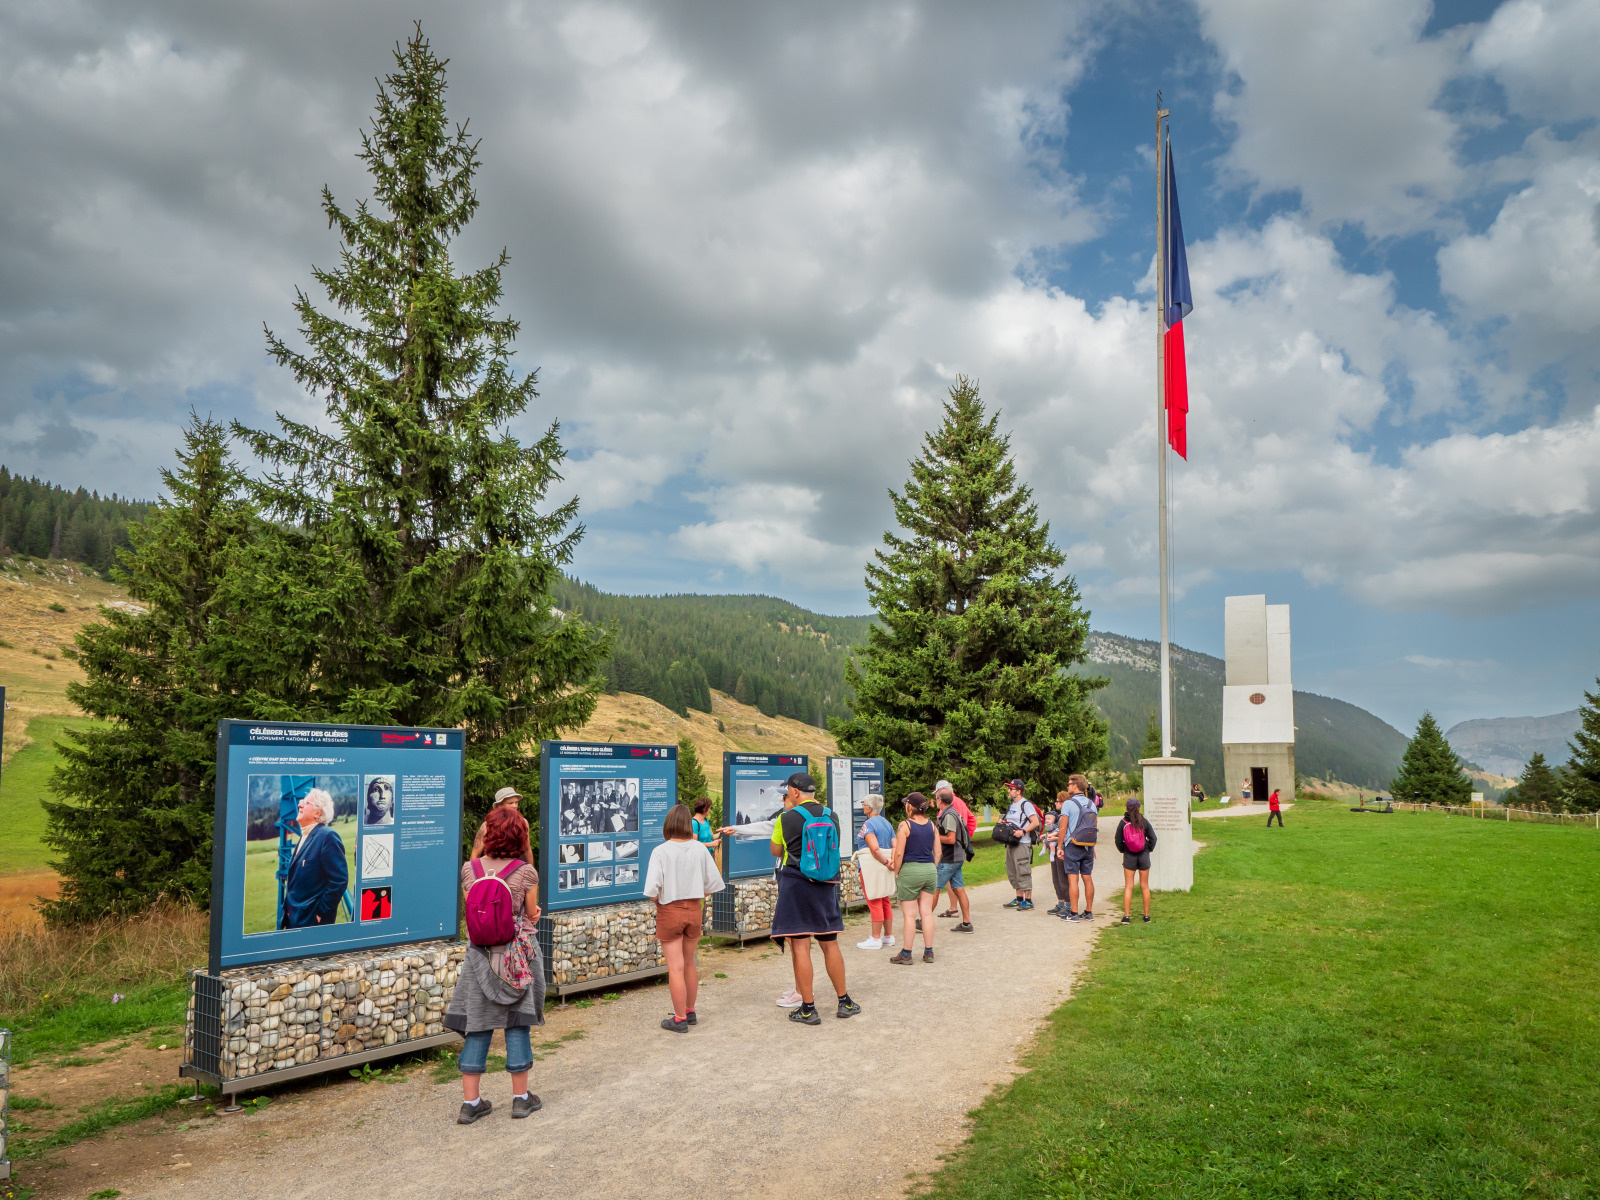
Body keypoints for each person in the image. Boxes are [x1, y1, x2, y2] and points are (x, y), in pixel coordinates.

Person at [445, 807, 544, 1123]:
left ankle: (470, 1103)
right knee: (517, 1022)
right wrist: (532, 915)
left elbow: (476, 911)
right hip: (514, 957)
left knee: (478, 1023)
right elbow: (530, 914)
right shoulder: (526, 872)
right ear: (519, 836)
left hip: (477, 957)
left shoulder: (468, 870)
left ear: (488, 834)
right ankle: (520, 1099)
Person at [767, 772, 861, 1022]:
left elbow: (775, 850)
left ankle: (808, 1008)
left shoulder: (786, 818)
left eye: (788, 791)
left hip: (796, 884)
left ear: (795, 792)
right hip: (825, 885)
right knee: (830, 944)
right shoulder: (832, 815)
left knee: (800, 946)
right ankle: (845, 1002)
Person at [645, 804, 726, 1032]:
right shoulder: (700, 849)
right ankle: (690, 1011)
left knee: (675, 967)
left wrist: (661, 901)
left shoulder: (661, 851)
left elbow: (652, 891)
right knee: (689, 962)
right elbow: (713, 884)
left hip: (670, 910)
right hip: (694, 909)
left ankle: (679, 1018)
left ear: (669, 824)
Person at [279, 788, 347, 929]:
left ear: (318, 812)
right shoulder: (306, 836)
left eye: (306, 802)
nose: (299, 805)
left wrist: (320, 914)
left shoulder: (327, 837)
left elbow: (339, 881)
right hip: (294, 920)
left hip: (310, 923)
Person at [889, 792, 938, 963]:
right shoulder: (932, 825)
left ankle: (907, 954)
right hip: (930, 871)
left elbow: (899, 852)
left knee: (910, 915)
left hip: (910, 870)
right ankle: (929, 952)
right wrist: (932, 867)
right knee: (926, 914)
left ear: (910, 806)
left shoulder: (905, 826)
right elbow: (937, 852)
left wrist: (896, 871)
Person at [854, 794, 897, 949]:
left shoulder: (868, 824)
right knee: (885, 899)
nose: (862, 806)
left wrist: (885, 862)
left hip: (872, 867)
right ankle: (888, 936)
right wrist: (891, 862)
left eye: (864, 804)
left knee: (874, 900)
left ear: (869, 808)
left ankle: (875, 938)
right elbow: (894, 846)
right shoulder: (887, 823)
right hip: (886, 867)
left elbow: (874, 848)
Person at [933, 790, 974, 932]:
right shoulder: (953, 812)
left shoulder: (949, 815)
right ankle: (967, 923)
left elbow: (950, 839)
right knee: (959, 888)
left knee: (934, 888)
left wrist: (934, 837)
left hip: (949, 859)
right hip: (957, 858)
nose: (935, 801)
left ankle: (924, 920)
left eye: (936, 798)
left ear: (940, 800)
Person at [1060, 774, 1097, 921]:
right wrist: (1093, 846)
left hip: (1073, 844)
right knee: (1087, 877)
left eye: (1069, 784)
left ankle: (1074, 913)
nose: (1067, 786)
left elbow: (1063, 827)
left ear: (1075, 786)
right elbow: (1094, 826)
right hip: (1088, 845)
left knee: (1073, 879)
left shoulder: (1068, 804)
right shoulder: (1091, 804)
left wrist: (1060, 846)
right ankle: (1088, 912)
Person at [1115, 799, 1157, 924]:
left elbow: (1118, 840)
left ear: (1126, 808)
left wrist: (1124, 849)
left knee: (1129, 886)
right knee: (1145, 886)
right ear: (1139, 807)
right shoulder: (1144, 821)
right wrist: (1147, 848)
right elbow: (1153, 838)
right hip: (1143, 855)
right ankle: (1146, 916)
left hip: (1129, 856)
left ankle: (1127, 916)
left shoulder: (1123, 823)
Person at [1001, 779, 1040, 910]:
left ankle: (1028, 901)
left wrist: (1023, 831)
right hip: (1011, 843)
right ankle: (1019, 899)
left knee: (1023, 871)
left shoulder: (1026, 804)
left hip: (1022, 843)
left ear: (1018, 791)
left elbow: (1035, 822)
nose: (1009, 791)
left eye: (1011, 789)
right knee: (1012, 871)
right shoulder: (1012, 805)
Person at [471, 786, 534, 863]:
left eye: (516, 802)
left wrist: (531, 871)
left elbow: (527, 849)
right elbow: (475, 853)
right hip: (492, 870)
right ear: (499, 805)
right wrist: (474, 873)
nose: (515, 806)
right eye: (510, 803)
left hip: (517, 869)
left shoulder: (523, 822)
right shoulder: (488, 824)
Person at [1042, 792, 1073, 916]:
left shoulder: (1065, 817)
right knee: (1056, 878)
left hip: (1062, 850)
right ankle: (1060, 903)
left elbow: (1065, 834)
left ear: (1063, 802)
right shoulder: (1059, 817)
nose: (1055, 803)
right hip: (1054, 850)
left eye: (1057, 801)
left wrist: (1053, 839)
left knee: (1062, 878)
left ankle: (1069, 905)